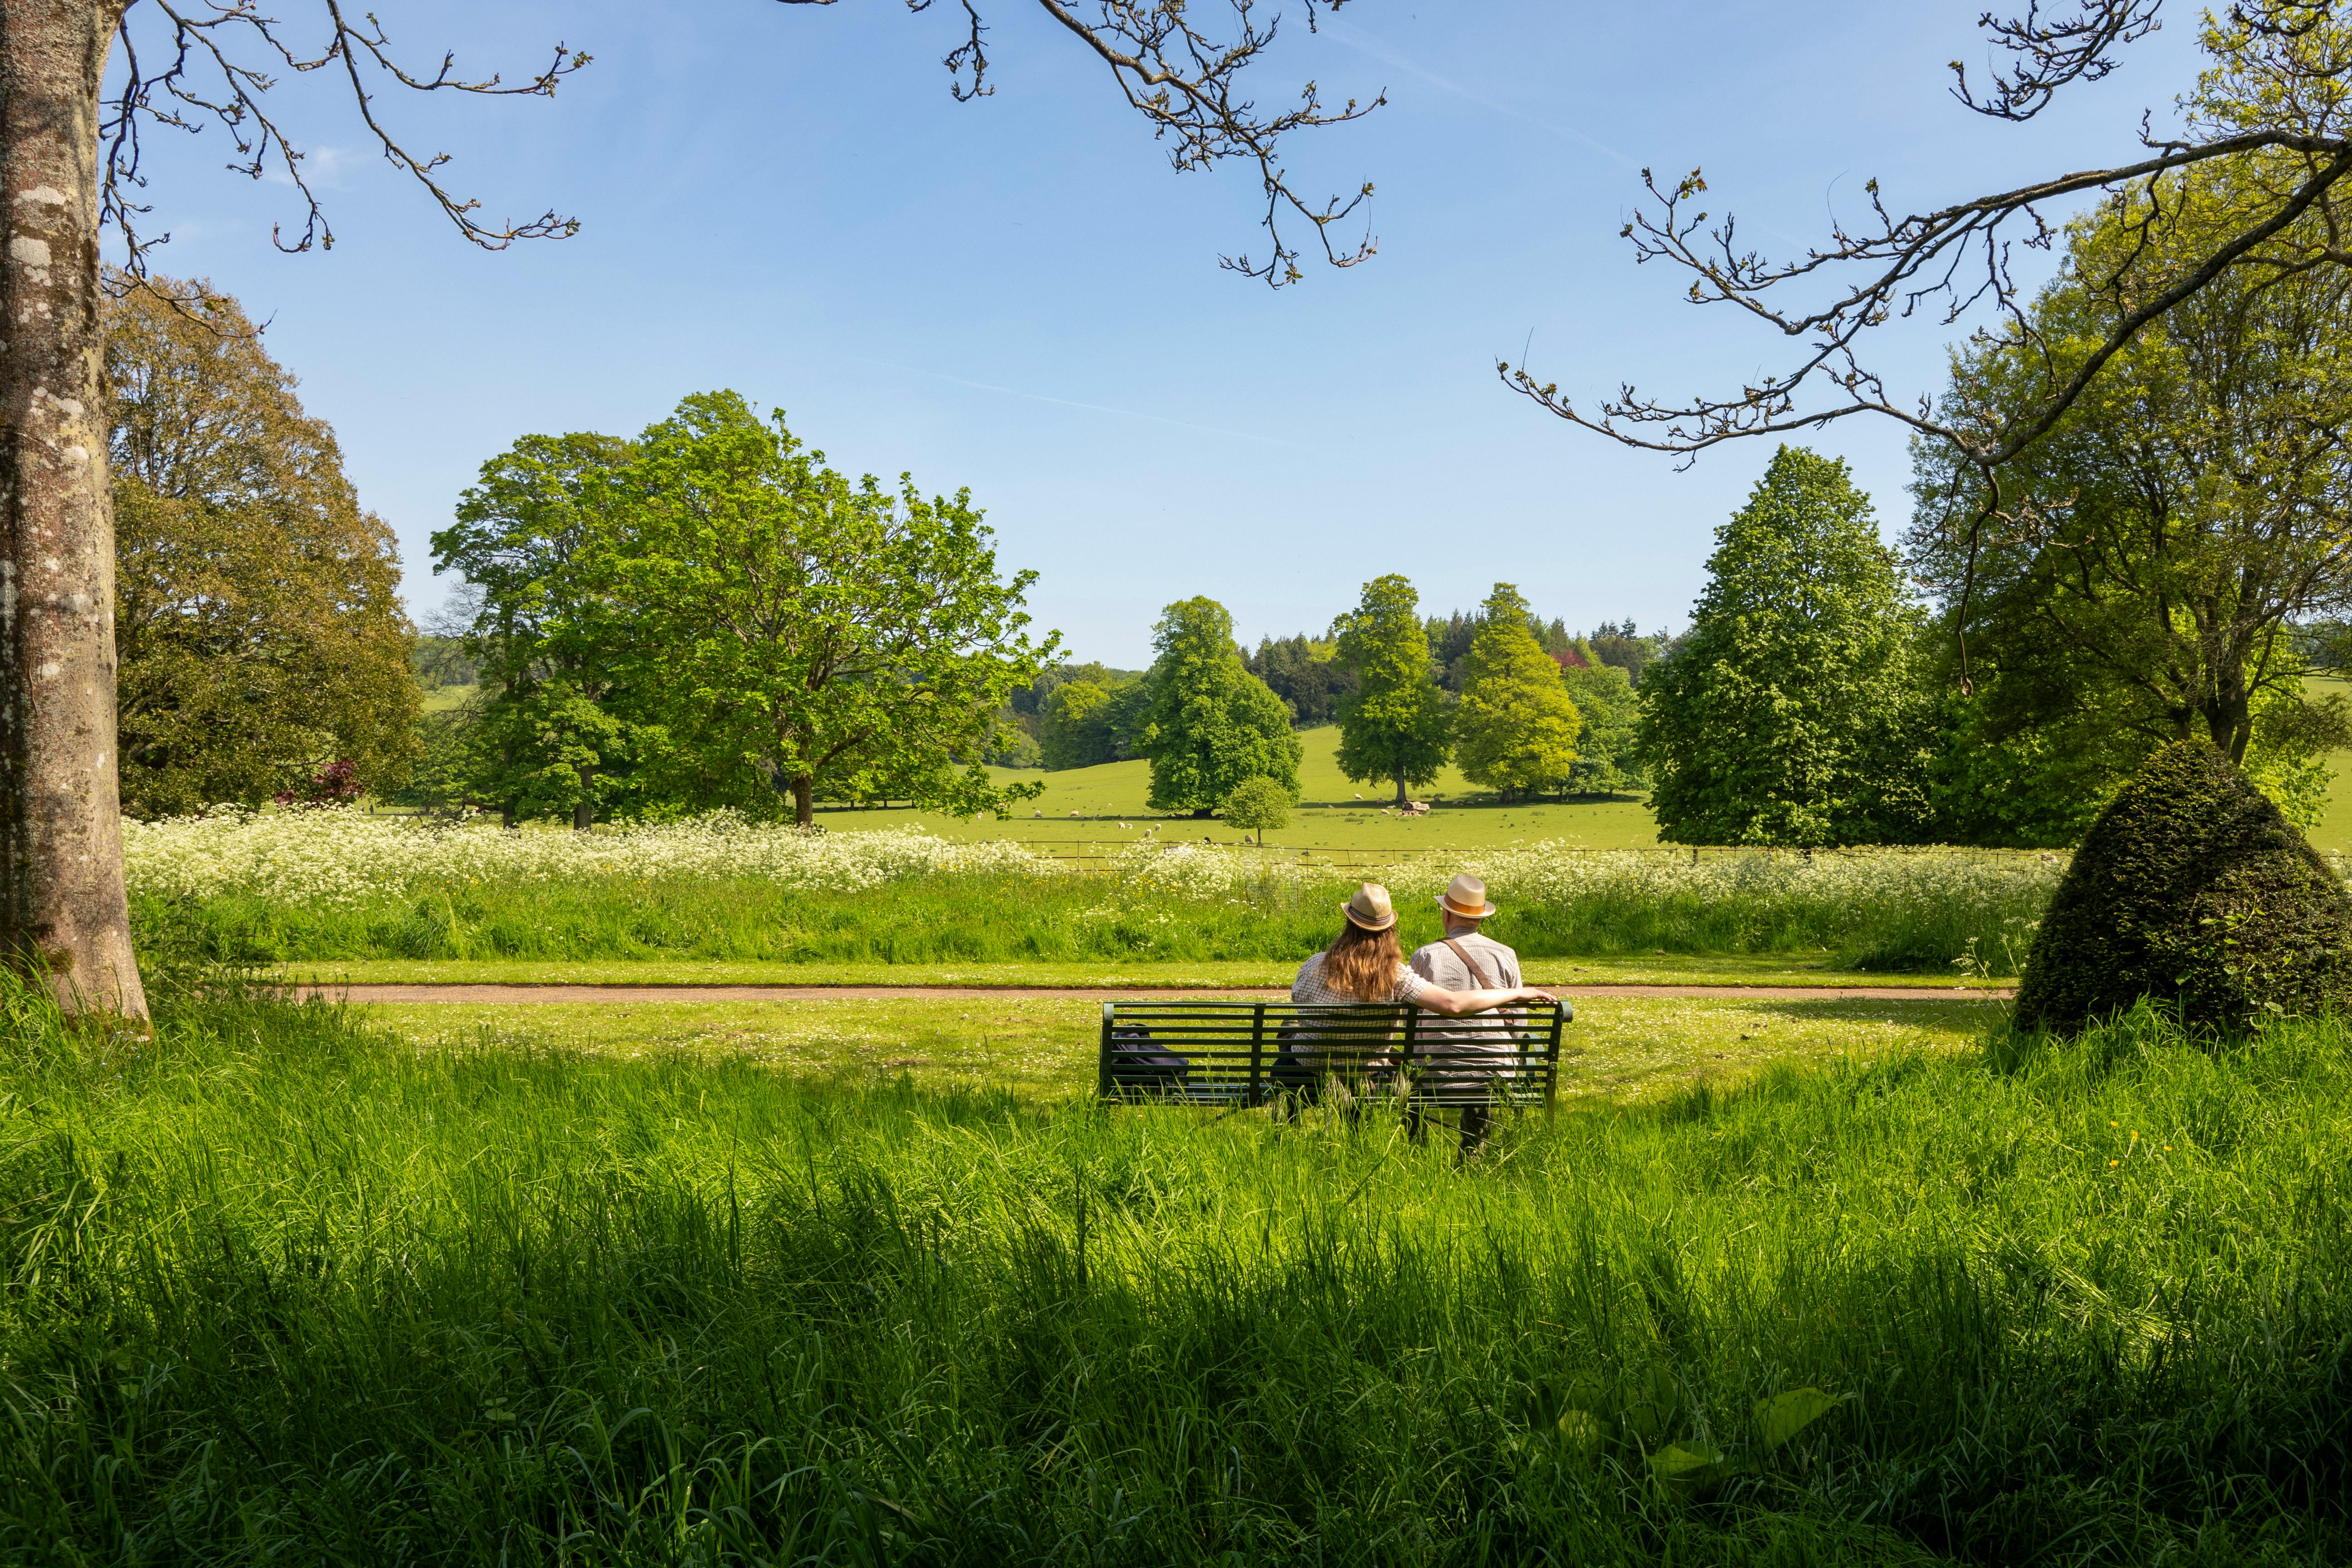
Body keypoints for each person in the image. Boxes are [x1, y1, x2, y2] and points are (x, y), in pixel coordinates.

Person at [1285, 882, 1554, 1112]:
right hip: (1365, 1074)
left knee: (1289, 1033)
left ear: (1348, 923)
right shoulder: (1396, 976)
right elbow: (1453, 1004)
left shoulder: (1313, 965)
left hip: (1308, 1071)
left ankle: (1286, 1125)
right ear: (1389, 930)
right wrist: (1518, 992)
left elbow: (1300, 1004)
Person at [1408, 872, 1525, 1157]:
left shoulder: (1426, 956)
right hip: (1496, 1075)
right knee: (1487, 1053)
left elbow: (1407, 1024)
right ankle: (1473, 1151)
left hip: (1436, 1076)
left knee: (1415, 1066)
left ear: (1447, 915)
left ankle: (1417, 1153)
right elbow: (1519, 1024)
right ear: (1481, 918)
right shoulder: (1506, 955)